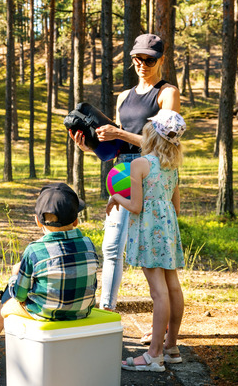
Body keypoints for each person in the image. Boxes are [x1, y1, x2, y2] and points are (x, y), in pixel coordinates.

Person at [69, 33, 180, 327]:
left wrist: (118, 133)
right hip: (122, 171)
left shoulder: (166, 93)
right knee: (112, 247)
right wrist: (90, 145)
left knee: (156, 258)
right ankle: (106, 312)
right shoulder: (123, 97)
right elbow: (117, 148)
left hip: (153, 171)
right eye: (138, 59)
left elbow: (166, 142)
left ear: (161, 60)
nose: (143, 65)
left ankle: (164, 335)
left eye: (150, 60)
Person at [0, 183, 98, 368]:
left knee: (2, 310)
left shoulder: (34, 250)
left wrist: (13, 276)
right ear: (76, 221)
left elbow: (19, 295)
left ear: (38, 221)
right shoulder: (89, 243)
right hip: (82, 311)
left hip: (46, 314)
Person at [107, 109, 186, 372]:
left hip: (149, 232)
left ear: (151, 133)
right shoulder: (172, 166)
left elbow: (137, 206)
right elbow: (175, 207)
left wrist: (116, 198)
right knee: (172, 286)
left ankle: (154, 355)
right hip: (168, 230)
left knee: (158, 291)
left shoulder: (140, 164)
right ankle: (171, 347)